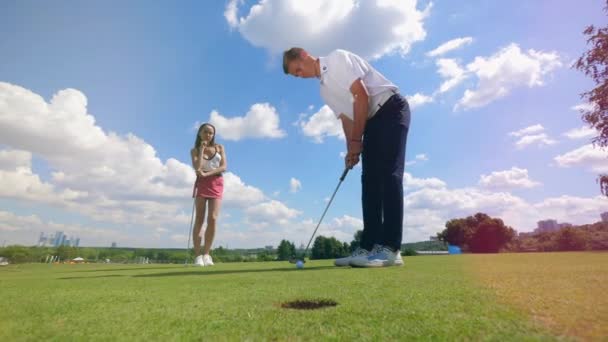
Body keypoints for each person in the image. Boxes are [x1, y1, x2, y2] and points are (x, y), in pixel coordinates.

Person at [283, 48, 411, 267]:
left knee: (389, 176)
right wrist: (351, 150)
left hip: (390, 109)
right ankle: (368, 247)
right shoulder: (324, 90)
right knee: (369, 181)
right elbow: (346, 119)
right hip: (371, 122)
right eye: (296, 75)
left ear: (304, 55)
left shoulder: (337, 59)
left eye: (298, 70)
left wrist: (356, 141)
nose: (300, 76)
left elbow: (362, 95)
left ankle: (391, 249)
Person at [190, 123, 227, 266]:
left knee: (212, 218)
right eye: (205, 132)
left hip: (216, 182)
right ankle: (198, 255)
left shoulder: (219, 148)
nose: (208, 135)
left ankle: (207, 254)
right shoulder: (194, 150)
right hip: (201, 183)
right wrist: (202, 150)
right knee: (199, 219)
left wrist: (208, 174)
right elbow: (197, 167)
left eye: (211, 133)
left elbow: (223, 167)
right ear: (200, 133)